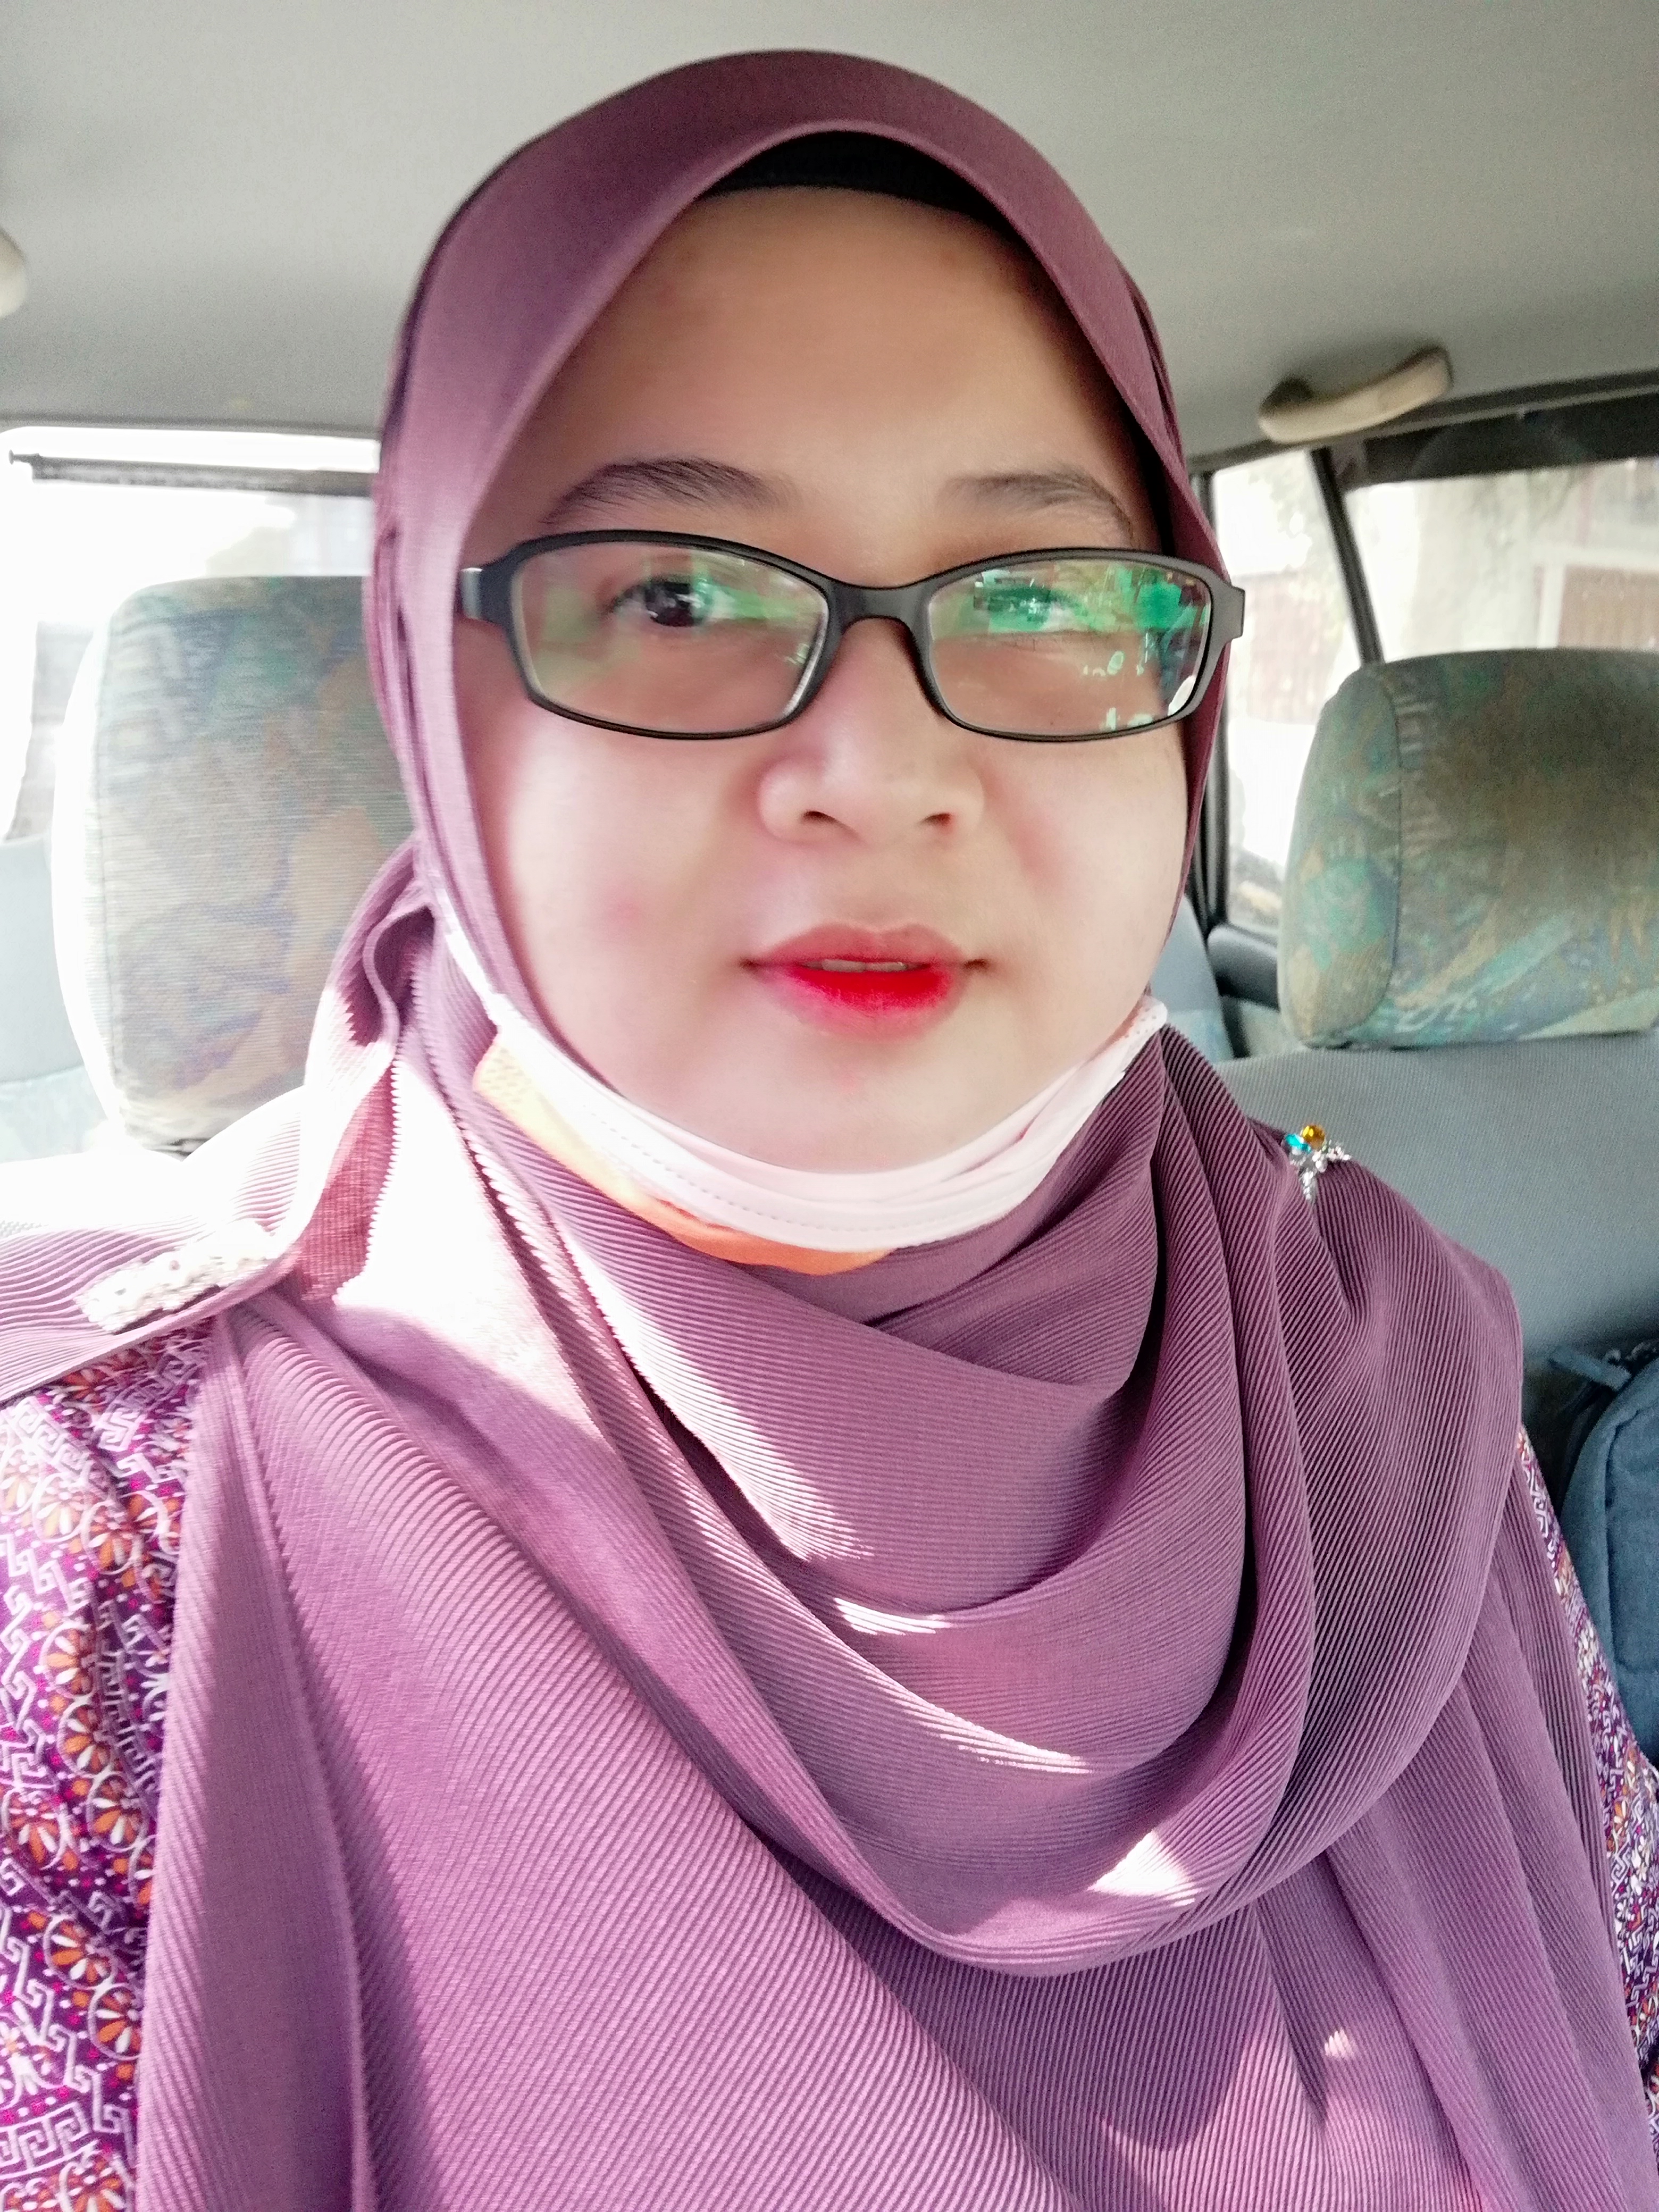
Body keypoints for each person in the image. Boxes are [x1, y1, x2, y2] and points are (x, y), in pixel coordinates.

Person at [1, 48, 1657, 2212]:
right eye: (676, 596)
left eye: (1042, 595)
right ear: (432, 683)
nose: (880, 772)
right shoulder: (106, 1529)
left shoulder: (1383, 1359)